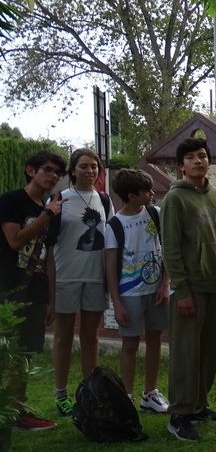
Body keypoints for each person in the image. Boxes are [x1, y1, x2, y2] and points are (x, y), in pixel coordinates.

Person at [161, 138, 216, 441]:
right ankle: (179, 414)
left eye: (202, 156)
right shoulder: (174, 198)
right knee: (186, 353)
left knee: (207, 352)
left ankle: (199, 405)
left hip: (215, 284)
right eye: (190, 157)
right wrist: (181, 291)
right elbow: (171, 248)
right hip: (190, 288)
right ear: (181, 165)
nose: (198, 161)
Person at [0, 150, 65, 431]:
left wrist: (51, 298)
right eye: (47, 170)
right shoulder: (11, 201)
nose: (53, 176)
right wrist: (45, 215)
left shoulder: (53, 210)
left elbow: (48, 257)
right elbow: (14, 241)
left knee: (24, 353)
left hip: (36, 289)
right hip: (8, 287)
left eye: (57, 173)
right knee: (7, 353)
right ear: (30, 170)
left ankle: (17, 411)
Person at [47, 148, 114, 417]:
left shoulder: (104, 200)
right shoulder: (60, 199)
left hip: (95, 277)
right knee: (63, 337)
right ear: (73, 170)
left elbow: (110, 241)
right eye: (83, 166)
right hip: (66, 276)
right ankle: (61, 394)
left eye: (94, 166)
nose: (90, 171)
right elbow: (48, 244)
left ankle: (89, 392)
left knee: (91, 337)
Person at [104, 169, 170, 411]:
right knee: (130, 344)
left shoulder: (155, 214)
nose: (152, 194)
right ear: (131, 196)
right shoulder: (114, 225)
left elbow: (167, 249)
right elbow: (110, 266)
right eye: (146, 191)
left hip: (156, 290)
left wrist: (165, 283)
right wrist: (117, 303)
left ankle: (150, 393)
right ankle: (127, 395)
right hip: (129, 293)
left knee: (155, 339)